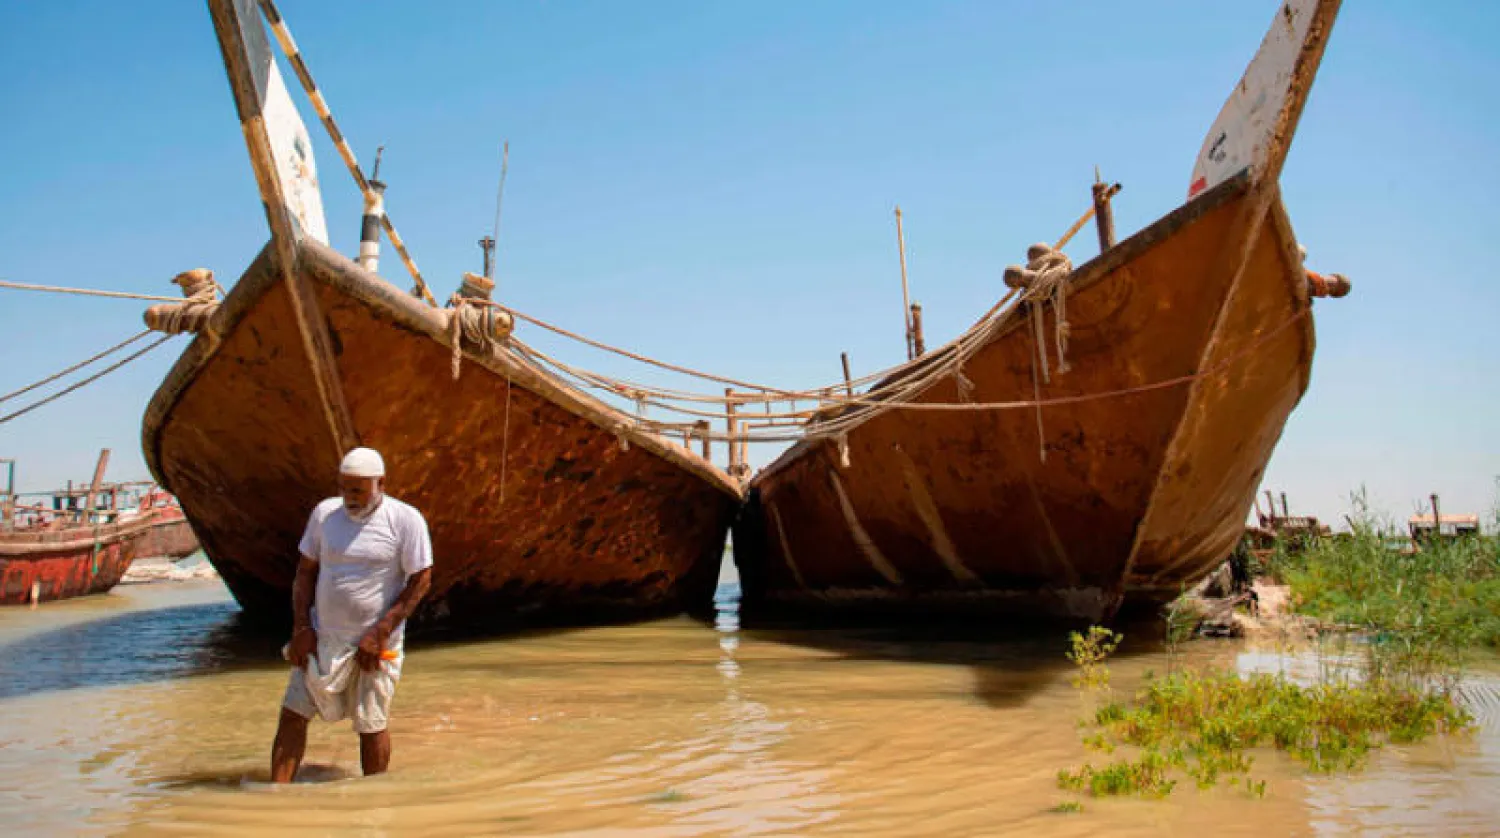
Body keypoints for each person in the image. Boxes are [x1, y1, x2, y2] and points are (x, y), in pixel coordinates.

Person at [271, 446, 433, 783]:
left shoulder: (405, 520)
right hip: (323, 638)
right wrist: (301, 627)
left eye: (357, 489)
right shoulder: (324, 515)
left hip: (376, 642)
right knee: (292, 713)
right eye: (343, 487)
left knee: (371, 724)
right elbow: (304, 572)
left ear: (381, 484)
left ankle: (373, 805)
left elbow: (421, 579)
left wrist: (381, 631)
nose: (348, 497)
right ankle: (276, 797)